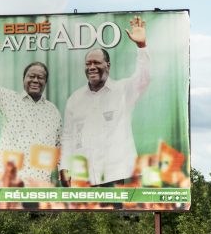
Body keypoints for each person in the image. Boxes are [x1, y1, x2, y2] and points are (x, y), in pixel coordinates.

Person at [60, 16, 150, 187]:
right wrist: (64, 167)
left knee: (113, 214)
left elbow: (143, 78)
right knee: (84, 215)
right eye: (88, 63)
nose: (91, 67)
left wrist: (142, 47)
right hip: (83, 176)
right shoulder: (75, 99)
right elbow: (68, 136)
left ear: (107, 65)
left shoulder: (123, 90)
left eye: (96, 62)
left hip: (115, 175)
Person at [0, 32, 62, 185]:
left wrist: (63, 172)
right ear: (24, 79)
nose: (35, 80)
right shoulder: (8, 99)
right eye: (31, 76)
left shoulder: (53, 111)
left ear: (45, 82)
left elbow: (58, 145)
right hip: (8, 180)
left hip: (39, 183)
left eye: (40, 77)